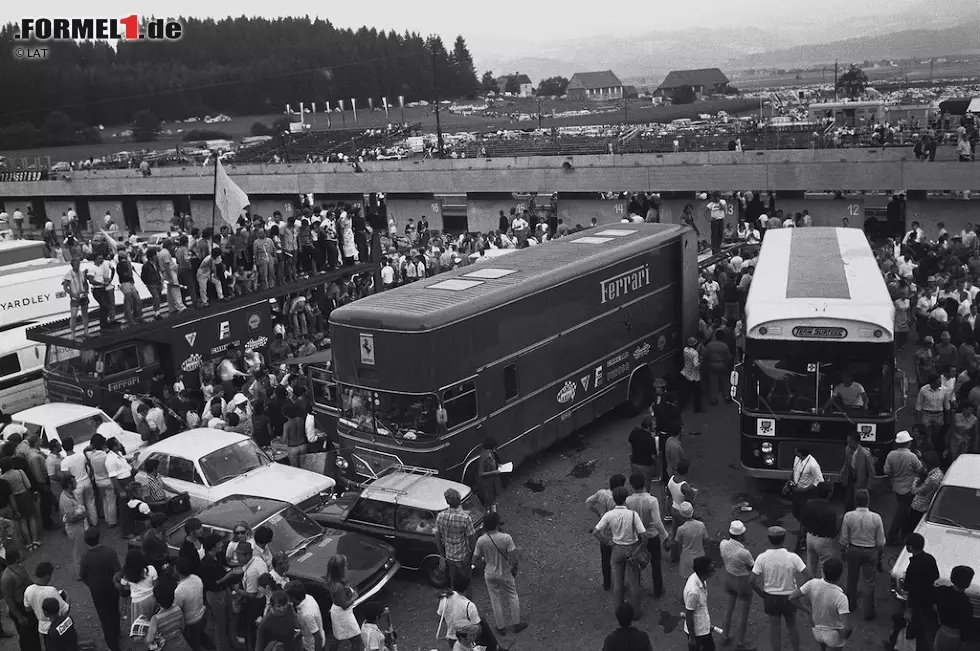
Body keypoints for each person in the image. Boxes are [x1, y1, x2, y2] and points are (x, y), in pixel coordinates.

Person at [593, 485, 646, 618]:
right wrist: (642, 546)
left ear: (614, 500)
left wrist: (607, 542)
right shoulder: (633, 515)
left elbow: (596, 531)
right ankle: (636, 613)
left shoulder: (609, 515)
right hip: (632, 549)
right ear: (626, 499)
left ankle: (619, 611)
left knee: (618, 581)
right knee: (634, 583)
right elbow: (643, 534)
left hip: (616, 549)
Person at [751, 526, 807, 651]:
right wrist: (800, 592)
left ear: (769, 539)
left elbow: (751, 580)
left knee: (775, 630)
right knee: (792, 626)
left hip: (771, 598)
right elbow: (809, 575)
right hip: (790, 597)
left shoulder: (762, 557)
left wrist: (761, 593)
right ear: (783, 539)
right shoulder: (793, 557)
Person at [885, 533, 938, 651]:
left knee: (909, 627)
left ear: (911, 547)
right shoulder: (930, 558)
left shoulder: (913, 567)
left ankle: (897, 646)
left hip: (916, 604)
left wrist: (909, 610)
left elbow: (912, 590)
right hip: (928, 600)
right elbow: (935, 576)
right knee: (923, 627)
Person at [789, 557, 852, 651]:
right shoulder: (841, 597)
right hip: (834, 635)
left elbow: (791, 597)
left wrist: (808, 611)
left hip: (817, 632)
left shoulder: (812, 584)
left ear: (823, 571)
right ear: (840, 576)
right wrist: (843, 638)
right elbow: (848, 628)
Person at [625, 472, 669, 599]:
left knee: (636, 563)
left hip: (637, 537)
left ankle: (637, 589)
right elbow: (657, 522)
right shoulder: (652, 500)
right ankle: (658, 590)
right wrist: (665, 536)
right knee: (656, 564)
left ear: (631, 485)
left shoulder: (628, 501)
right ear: (644, 484)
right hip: (652, 536)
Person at [79, 528, 121, 651]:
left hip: (97, 590)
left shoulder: (85, 557)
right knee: (114, 610)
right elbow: (117, 570)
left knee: (104, 616)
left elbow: (82, 575)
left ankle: (112, 644)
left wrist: (91, 584)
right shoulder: (109, 552)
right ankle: (117, 632)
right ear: (99, 537)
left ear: (86, 542)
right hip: (112, 587)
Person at [586, 474, 626, 592]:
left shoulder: (601, 493)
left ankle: (607, 583)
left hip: (603, 532)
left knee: (605, 560)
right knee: (620, 561)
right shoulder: (618, 501)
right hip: (616, 535)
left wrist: (599, 514)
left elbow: (588, 502)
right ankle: (620, 584)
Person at [719, 520, 754, 651]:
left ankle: (725, 635)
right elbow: (753, 567)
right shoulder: (744, 553)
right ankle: (740, 642)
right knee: (743, 614)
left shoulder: (723, 544)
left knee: (728, 609)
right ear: (740, 535)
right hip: (742, 581)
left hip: (729, 578)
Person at [434, 488, 477, 595]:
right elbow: (472, 539)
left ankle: (456, 606)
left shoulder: (440, 517)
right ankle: (467, 607)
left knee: (454, 585)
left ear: (447, 501)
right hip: (463, 557)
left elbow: (437, 538)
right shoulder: (465, 518)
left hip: (449, 557)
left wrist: (442, 556)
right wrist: (473, 554)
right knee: (467, 584)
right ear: (459, 501)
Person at [883, 431, 922, 545]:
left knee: (904, 511)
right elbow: (920, 469)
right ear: (908, 443)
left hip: (897, 488)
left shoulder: (891, 455)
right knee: (901, 513)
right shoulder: (911, 456)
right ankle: (891, 537)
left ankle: (904, 533)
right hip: (909, 489)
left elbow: (886, 471)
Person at [1, 549, 40, 651]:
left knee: (34, 631)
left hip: (27, 604)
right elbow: (8, 599)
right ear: (16, 559)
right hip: (19, 608)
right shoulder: (7, 577)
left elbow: (28, 581)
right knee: (26, 636)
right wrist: (19, 617)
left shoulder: (20, 568)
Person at [23, 562, 69, 644]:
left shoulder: (28, 590)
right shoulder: (51, 591)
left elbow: (27, 608)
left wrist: (37, 606)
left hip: (43, 628)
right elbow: (65, 610)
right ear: (47, 576)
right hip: (57, 626)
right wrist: (67, 598)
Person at [788, 447, 824, 552]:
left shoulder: (813, 465)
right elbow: (794, 471)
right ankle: (808, 525)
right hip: (796, 492)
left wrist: (805, 489)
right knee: (796, 513)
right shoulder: (797, 458)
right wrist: (787, 483)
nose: (795, 452)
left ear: (801, 453)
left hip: (807, 494)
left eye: (796, 451)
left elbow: (819, 480)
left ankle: (803, 540)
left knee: (804, 517)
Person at [325, 555, 363, 651]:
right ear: (340, 569)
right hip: (343, 614)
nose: (347, 566)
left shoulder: (335, 582)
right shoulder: (338, 587)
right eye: (345, 565)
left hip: (338, 612)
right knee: (357, 640)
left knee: (338, 637)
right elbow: (344, 605)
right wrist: (354, 597)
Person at [933, 566, 974, 651]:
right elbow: (965, 627)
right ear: (968, 583)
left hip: (941, 633)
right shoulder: (966, 605)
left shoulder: (941, 591)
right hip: (955, 638)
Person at [801, 482, 837, 579]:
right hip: (823, 541)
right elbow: (833, 533)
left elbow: (804, 523)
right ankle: (822, 591)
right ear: (829, 494)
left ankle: (810, 590)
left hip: (810, 537)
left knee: (810, 568)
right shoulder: (830, 512)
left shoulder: (809, 504)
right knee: (825, 569)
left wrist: (803, 537)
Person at [684, 556, 718, 651]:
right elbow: (689, 615)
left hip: (703, 626)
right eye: (711, 569)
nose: (714, 570)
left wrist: (707, 624)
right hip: (697, 632)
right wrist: (692, 638)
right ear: (704, 572)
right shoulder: (694, 591)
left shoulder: (701, 579)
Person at [58, 475, 89, 580]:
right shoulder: (66, 499)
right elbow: (70, 518)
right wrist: (84, 515)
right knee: (78, 551)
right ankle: (80, 574)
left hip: (78, 526)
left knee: (82, 549)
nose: (76, 483)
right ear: (69, 484)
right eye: (74, 482)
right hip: (75, 528)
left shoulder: (69, 495)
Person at [173, 557, 207, 651]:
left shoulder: (179, 591)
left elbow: (178, 611)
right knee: (197, 641)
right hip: (202, 615)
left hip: (190, 622)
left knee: (192, 645)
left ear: (176, 570)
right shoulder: (196, 578)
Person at [116, 549, 159, 623]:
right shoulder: (151, 569)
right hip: (152, 598)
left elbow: (120, 588)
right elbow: (156, 585)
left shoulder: (127, 575)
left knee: (139, 623)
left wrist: (115, 580)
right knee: (152, 620)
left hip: (138, 601)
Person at [839, 432, 875, 513]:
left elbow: (871, 472)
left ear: (857, 442)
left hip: (860, 482)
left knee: (858, 504)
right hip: (850, 480)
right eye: (847, 442)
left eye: (850, 442)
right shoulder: (847, 450)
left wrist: (868, 488)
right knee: (848, 502)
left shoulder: (866, 454)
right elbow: (847, 463)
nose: (848, 444)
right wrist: (842, 474)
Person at [285, 580, 325, 651]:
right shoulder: (308, 597)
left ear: (293, 598)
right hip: (308, 641)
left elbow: (318, 637)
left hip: (313, 647)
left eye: (287, 595)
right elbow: (306, 626)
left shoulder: (306, 614)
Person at [144, 582, 186, 650]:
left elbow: (149, 639)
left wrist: (145, 639)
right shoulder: (178, 609)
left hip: (166, 646)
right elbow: (183, 627)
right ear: (173, 597)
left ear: (156, 600)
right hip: (180, 642)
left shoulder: (155, 619)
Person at [674, 502, 708, 579]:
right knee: (701, 579)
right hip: (700, 557)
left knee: (689, 581)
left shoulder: (681, 529)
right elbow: (706, 541)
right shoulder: (701, 525)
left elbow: (678, 545)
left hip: (687, 559)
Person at [628, 418, 659, 492]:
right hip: (646, 466)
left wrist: (634, 452)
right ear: (648, 427)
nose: (655, 426)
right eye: (653, 425)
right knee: (646, 488)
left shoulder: (635, 431)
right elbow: (653, 456)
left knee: (637, 485)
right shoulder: (650, 439)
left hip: (634, 463)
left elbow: (629, 443)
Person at [476, 437, 505, 513]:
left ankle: (494, 515)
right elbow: (480, 473)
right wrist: (493, 472)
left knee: (493, 499)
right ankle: (488, 516)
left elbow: (493, 462)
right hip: (487, 483)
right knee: (488, 501)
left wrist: (498, 464)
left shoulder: (491, 454)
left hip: (492, 481)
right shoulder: (483, 458)